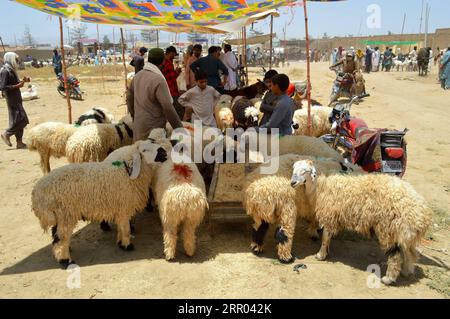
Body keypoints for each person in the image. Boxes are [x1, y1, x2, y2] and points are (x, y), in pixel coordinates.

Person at [126, 48, 182, 142]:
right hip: (154, 130)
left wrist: (134, 115)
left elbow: (129, 98)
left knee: (139, 154)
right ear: (163, 61)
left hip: (139, 126)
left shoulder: (138, 76)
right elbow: (168, 108)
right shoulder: (158, 80)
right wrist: (179, 129)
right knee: (152, 155)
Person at [0, 52, 30, 149]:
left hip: (17, 97)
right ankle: (7, 134)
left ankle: (19, 142)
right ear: (11, 59)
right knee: (23, 119)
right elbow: (3, 87)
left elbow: (15, 83)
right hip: (12, 99)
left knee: (18, 120)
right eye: (16, 59)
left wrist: (23, 81)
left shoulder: (11, 69)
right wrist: (17, 85)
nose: (17, 61)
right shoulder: (5, 71)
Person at [162, 46, 183, 120]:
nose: (174, 56)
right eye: (174, 54)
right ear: (170, 53)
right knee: (178, 110)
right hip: (171, 90)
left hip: (165, 89)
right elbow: (172, 78)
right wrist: (177, 72)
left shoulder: (163, 62)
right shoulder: (168, 63)